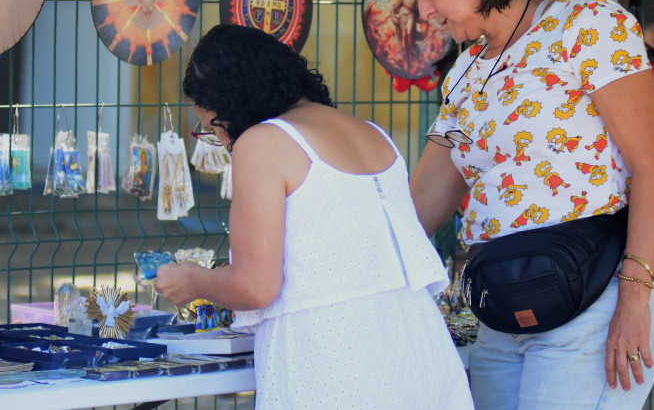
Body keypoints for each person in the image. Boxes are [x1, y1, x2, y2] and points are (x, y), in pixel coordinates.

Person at [399, 0, 654, 408]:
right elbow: (420, 206)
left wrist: (634, 300)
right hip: (505, 302)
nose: (425, 6)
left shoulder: (591, 27)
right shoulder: (463, 73)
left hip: (597, 296)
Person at [154, 23, 473, 409]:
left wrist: (192, 280)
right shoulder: (373, 134)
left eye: (213, 129)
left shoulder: (261, 143)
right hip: (424, 360)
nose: (222, 142)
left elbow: (256, 287)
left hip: (333, 366)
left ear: (231, 103)